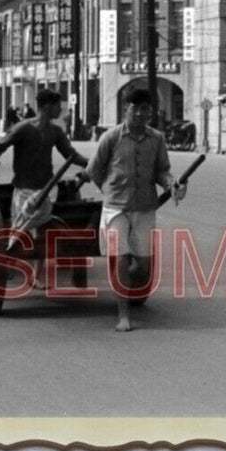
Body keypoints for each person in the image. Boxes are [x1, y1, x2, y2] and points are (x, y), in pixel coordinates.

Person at [86, 87, 183, 333]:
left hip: (144, 208)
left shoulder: (157, 139)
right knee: (120, 259)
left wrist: (172, 184)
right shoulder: (111, 137)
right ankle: (123, 315)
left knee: (143, 266)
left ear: (151, 112)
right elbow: (93, 169)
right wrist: (108, 191)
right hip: (116, 209)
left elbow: (162, 170)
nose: (140, 114)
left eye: (145, 109)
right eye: (135, 109)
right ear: (125, 109)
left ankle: (127, 282)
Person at [0, 88, 88, 284]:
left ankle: (36, 276)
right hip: (24, 189)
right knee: (21, 230)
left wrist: (92, 164)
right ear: (47, 107)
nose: (60, 110)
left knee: (41, 234)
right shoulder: (23, 128)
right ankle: (3, 261)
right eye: (58, 106)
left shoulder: (55, 132)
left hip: (45, 190)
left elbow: (71, 155)